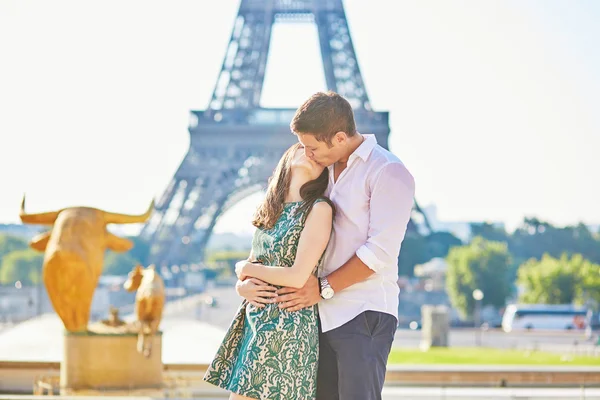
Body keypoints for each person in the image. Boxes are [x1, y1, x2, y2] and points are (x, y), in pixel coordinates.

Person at [236, 91, 415, 400]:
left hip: (362, 312)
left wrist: (322, 287)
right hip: (316, 314)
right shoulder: (321, 172)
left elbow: (380, 252)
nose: (307, 153)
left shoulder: (388, 171)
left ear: (340, 137)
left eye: (312, 147)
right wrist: (245, 281)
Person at [203, 142, 335, 400]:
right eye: (303, 147)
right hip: (256, 321)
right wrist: (240, 284)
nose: (310, 154)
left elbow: (297, 276)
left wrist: (244, 268)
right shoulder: (270, 210)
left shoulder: (319, 209)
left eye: (318, 156)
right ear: (287, 157)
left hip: (287, 323)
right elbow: (252, 269)